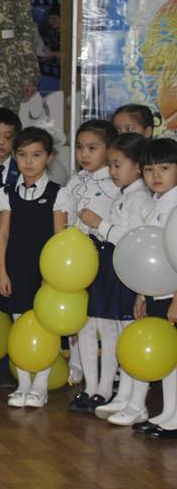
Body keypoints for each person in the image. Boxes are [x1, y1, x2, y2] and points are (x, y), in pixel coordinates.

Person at [79, 134, 152, 424]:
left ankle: (137, 401)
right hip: (118, 269)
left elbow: (133, 238)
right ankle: (124, 396)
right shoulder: (125, 195)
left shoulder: (140, 198)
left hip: (130, 272)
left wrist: (100, 224)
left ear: (138, 166)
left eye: (117, 165)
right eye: (110, 165)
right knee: (122, 334)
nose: (112, 171)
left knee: (130, 334)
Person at [54, 120, 118, 412]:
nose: (84, 154)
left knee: (106, 324)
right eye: (80, 147)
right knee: (85, 324)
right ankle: (90, 387)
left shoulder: (115, 183)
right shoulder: (76, 180)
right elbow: (62, 211)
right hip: (78, 259)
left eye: (93, 148)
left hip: (105, 256)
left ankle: (105, 388)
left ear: (109, 149)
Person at [0, 127, 59, 409]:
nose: (29, 161)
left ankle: (40, 385)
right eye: (22, 155)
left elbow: (59, 239)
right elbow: (2, 234)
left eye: (36, 155)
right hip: (16, 268)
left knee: (46, 325)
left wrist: (52, 276)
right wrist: (1, 271)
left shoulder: (58, 193)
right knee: (19, 324)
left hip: (45, 272)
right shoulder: (7, 192)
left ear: (49, 157)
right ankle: (23, 383)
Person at [130, 138, 177, 439]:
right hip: (157, 291)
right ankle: (168, 412)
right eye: (149, 169)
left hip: (173, 293)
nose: (156, 175)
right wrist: (142, 292)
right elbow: (148, 255)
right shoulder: (156, 203)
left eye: (165, 168)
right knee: (167, 355)